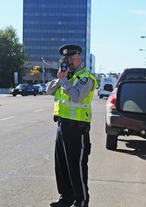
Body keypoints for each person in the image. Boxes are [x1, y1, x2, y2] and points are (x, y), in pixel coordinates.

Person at [46, 44, 97, 207]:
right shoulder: (65, 76)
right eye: (65, 59)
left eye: (70, 59)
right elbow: (48, 90)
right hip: (62, 126)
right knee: (61, 165)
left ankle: (81, 202)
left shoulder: (86, 77)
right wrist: (61, 77)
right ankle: (65, 197)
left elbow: (77, 97)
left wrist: (64, 80)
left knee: (77, 168)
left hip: (77, 129)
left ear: (78, 58)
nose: (68, 62)